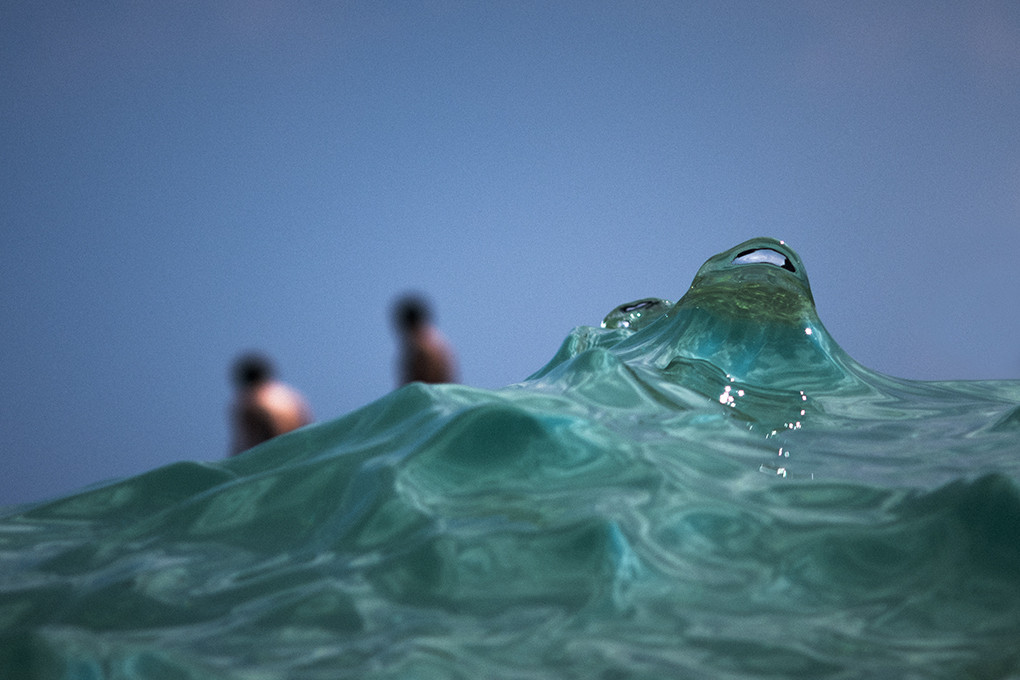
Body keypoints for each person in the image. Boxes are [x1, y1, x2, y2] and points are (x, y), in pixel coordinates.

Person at [229, 352, 313, 456]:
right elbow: (308, 424)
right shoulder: (289, 394)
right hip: (302, 449)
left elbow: (248, 439)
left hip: (278, 452)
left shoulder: (251, 399)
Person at [393, 294, 458, 386]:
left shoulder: (421, 347)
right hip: (444, 396)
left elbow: (420, 382)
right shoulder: (437, 341)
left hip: (429, 397)